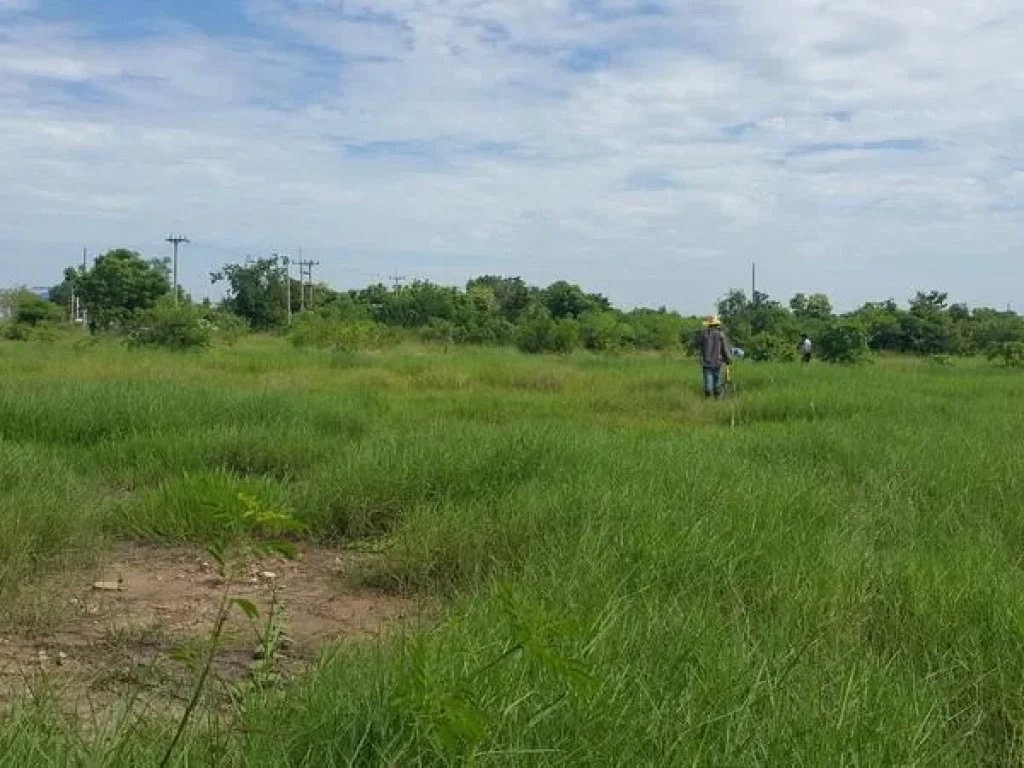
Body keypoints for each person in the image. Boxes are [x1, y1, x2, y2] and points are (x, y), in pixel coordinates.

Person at [694, 315, 732, 398]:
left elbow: (696, 344)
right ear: (717, 324)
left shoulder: (703, 334)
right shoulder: (721, 335)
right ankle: (716, 399)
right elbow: (724, 348)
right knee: (717, 382)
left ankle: (708, 399)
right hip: (718, 362)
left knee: (708, 383)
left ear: (708, 324)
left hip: (706, 363)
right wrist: (728, 359)